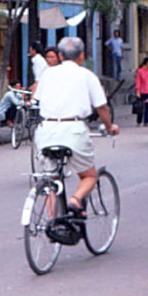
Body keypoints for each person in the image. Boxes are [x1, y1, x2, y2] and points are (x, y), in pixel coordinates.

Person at [34, 37, 119, 219]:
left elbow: (38, 99)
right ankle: (76, 199)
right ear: (81, 56)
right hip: (73, 130)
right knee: (89, 175)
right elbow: (101, 107)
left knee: (51, 180)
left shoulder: (47, 75)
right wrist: (110, 126)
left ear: (60, 56)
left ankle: (51, 221)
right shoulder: (86, 75)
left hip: (46, 130)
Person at [135, 57, 148, 127]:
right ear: (147, 62)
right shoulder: (140, 71)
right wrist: (138, 91)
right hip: (142, 91)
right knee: (140, 107)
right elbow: (138, 81)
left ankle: (146, 122)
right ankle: (139, 121)